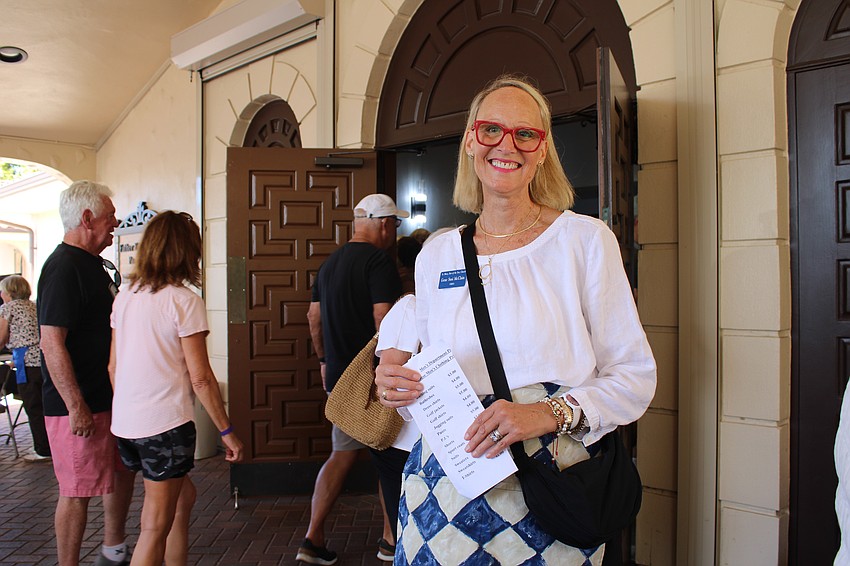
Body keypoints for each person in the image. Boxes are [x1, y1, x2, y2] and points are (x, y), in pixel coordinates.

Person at [374, 75, 657, 564]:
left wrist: (543, 414)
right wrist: (397, 388)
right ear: (469, 140)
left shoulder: (584, 241)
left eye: (525, 134)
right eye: (491, 130)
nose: (507, 145)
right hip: (445, 490)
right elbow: (430, 375)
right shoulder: (437, 252)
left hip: (548, 485)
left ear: (542, 150)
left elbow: (633, 378)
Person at [109, 210, 244, 566]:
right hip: (164, 428)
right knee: (154, 526)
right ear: (189, 252)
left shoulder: (125, 296)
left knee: (182, 499)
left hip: (126, 426)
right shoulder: (183, 301)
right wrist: (227, 432)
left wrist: (130, 408)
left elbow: (113, 366)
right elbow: (200, 378)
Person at [299, 193, 407, 565]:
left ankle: (313, 537)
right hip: (371, 381)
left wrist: (325, 360)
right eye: (395, 223)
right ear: (382, 223)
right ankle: (390, 539)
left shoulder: (329, 265)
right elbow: (383, 318)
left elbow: (313, 317)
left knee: (340, 455)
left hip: (340, 381)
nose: (394, 231)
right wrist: (390, 368)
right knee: (388, 457)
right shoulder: (378, 261)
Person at [38, 180, 136, 566]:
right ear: (87, 217)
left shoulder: (93, 265)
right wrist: (75, 405)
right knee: (76, 490)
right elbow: (51, 343)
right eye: (110, 215)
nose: (116, 222)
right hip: (77, 406)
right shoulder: (63, 268)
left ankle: (114, 551)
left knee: (120, 474)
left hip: (109, 398)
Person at [0, 274, 51, 461]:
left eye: (2, 290)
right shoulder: (35, 306)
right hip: (43, 360)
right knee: (45, 405)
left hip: (26, 362)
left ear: (9, 292)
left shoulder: (7, 308)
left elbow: (1, 338)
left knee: (33, 406)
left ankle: (42, 449)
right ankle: (51, 444)